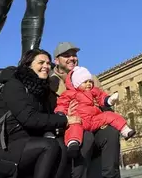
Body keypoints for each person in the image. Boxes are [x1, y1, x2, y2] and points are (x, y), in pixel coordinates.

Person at [0, 49, 70, 178]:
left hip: (26, 143)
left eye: (48, 63)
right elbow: (30, 119)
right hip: (2, 148)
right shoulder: (14, 85)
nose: (46, 66)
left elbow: (47, 118)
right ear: (28, 65)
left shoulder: (41, 91)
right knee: (49, 146)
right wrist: (65, 120)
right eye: (41, 62)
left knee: (61, 146)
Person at [49, 42, 122, 178]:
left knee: (111, 132)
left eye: (74, 55)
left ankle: (111, 175)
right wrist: (65, 116)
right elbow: (51, 109)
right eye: (66, 55)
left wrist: (102, 109)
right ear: (56, 60)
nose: (72, 58)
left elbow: (104, 100)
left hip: (94, 121)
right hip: (69, 127)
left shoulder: (90, 78)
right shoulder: (51, 82)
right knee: (84, 138)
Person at [54, 66, 134, 156]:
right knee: (74, 126)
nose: (89, 84)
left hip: (94, 119)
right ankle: (73, 142)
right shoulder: (70, 93)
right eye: (85, 82)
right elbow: (62, 104)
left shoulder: (94, 91)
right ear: (77, 83)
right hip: (81, 119)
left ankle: (125, 130)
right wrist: (61, 114)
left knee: (109, 115)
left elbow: (101, 97)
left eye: (90, 81)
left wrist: (109, 100)